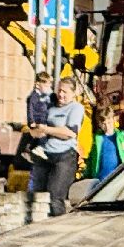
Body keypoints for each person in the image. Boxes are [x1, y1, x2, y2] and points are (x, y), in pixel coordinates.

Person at [28, 78, 84, 215]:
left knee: (55, 197)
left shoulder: (76, 108)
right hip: (45, 155)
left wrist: (46, 129)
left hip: (64, 156)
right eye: (59, 91)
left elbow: (69, 133)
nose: (61, 95)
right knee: (36, 195)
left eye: (65, 92)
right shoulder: (50, 107)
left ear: (73, 93)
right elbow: (36, 128)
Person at [82, 111, 124, 182]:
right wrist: (86, 175)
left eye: (109, 123)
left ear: (114, 120)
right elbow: (91, 159)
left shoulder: (122, 136)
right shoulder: (98, 139)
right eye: (104, 124)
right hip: (101, 179)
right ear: (100, 124)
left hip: (119, 179)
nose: (107, 126)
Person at [22, 72, 53, 161]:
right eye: (46, 86)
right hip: (36, 121)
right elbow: (30, 109)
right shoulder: (33, 96)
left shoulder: (45, 96)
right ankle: (31, 150)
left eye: (49, 86)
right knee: (42, 136)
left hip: (43, 121)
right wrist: (31, 121)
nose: (48, 89)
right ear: (38, 85)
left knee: (41, 137)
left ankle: (30, 150)